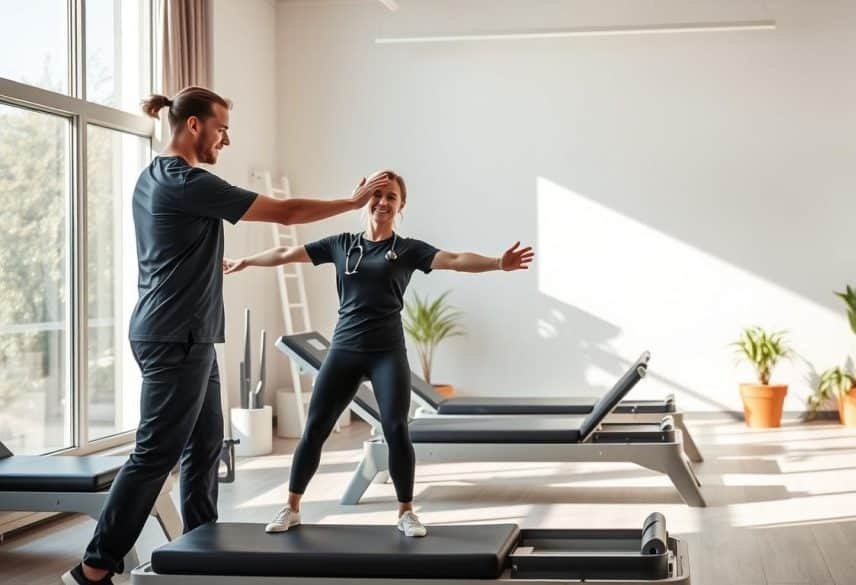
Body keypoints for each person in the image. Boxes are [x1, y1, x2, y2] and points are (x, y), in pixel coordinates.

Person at [64, 86, 392, 585]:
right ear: (193, 126)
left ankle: (200, 544)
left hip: (183, 332)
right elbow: (282, 213)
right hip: (177, 336)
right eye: (221, 129)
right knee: (156, 453)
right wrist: (351, 203)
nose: (227, 140)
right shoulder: (183, 180)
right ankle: (92, 568)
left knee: (206, 443)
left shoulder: (153, 177)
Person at [221, 170, 534, 537]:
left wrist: (499, 262)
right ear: (364, 196)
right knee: (315, 429)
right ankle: (291, 507)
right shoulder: (341, 244)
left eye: (391, 198)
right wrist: (247, 261)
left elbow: (454, 259)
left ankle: (406, 511)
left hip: (387, 352)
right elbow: (288, 252)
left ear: (401, 206)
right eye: (377, 194)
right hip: (345, 349)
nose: (383, 202)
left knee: (397, 429)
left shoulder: (408, 250)